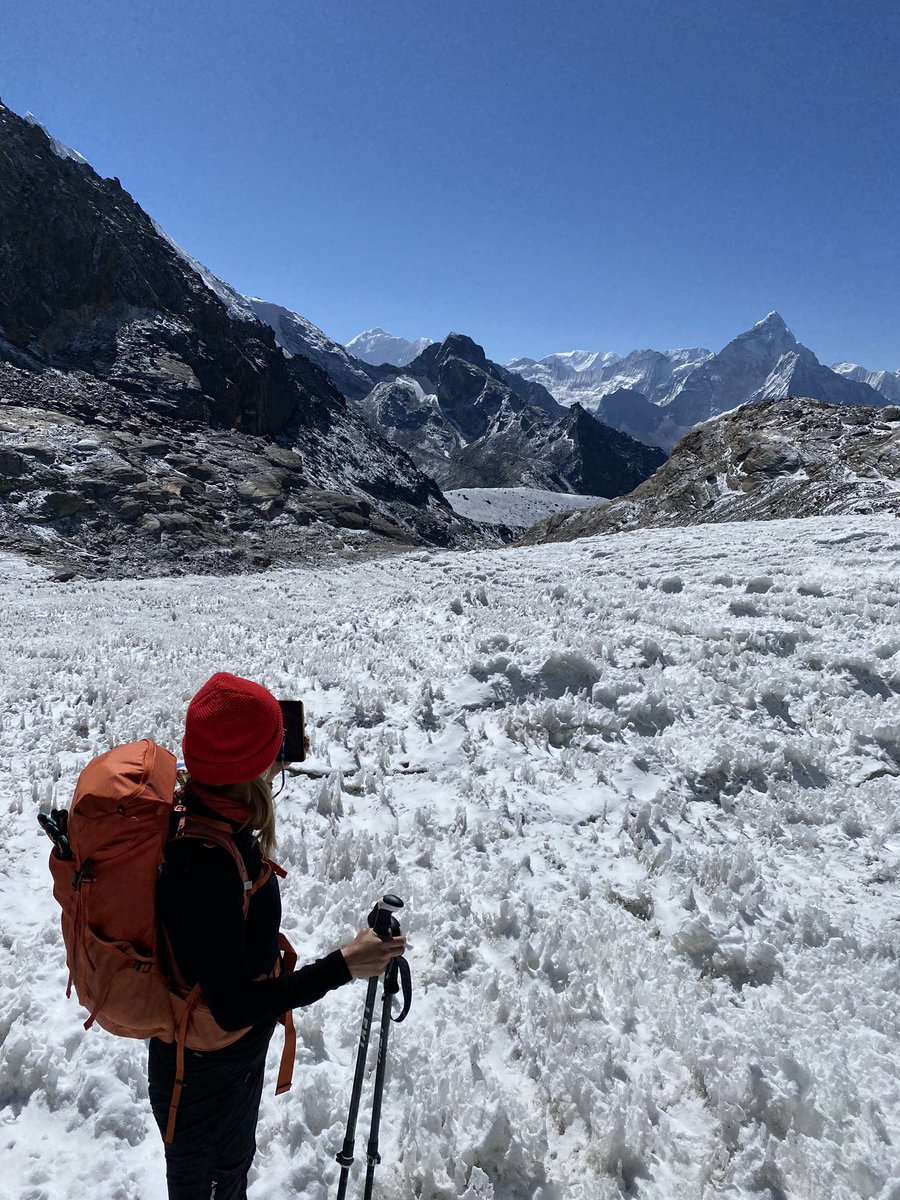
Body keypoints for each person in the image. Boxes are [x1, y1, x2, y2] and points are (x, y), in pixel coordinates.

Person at [147, 671, 405, 1200]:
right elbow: (234, 1005)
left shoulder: (203, 814)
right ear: (248, 769)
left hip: (218, 1064)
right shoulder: (207, 864)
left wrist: (254, 765)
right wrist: (344, 965)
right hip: (202, 1080)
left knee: (231, 1173)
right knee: (216, 1183)